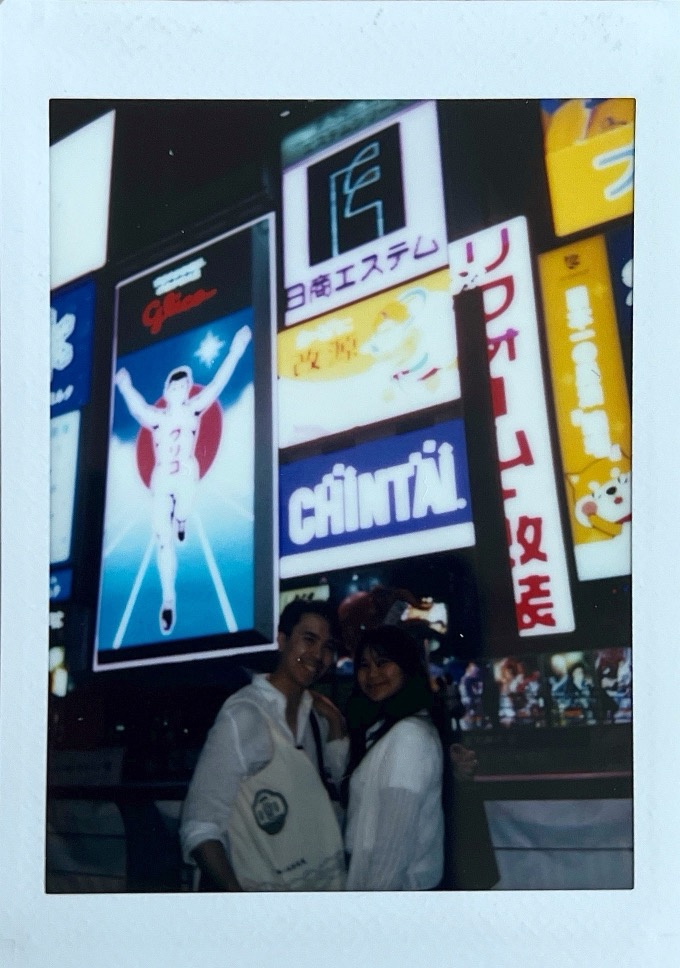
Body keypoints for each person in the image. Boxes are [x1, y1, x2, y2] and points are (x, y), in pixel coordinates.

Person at [179, 599, 348, 891]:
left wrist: (335, 722)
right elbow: (200, 827)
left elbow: (337, 782)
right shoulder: (244, 715)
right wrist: (240, 902)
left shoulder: (316, 718)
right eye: (309, 639)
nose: (318, 655)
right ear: (282, 641)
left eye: (328, 647)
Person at [114, 324, 251, 636]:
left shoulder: (193, 408)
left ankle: (182, 521)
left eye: (183, 383)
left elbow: (219, 381)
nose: (178, 387)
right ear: (167, 390)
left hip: (186, 473)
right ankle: (168, 599)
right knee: (162, 538)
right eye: (174, 384)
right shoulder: (156, 418)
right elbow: (136, 406)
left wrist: (238, 347)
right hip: (162, 478)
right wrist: (124, 384)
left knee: (183, 511)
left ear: (187, 387)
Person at [342, 625, 447, 891]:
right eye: (364, 665)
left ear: (406, 666)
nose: (372, 674)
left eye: (383, 662)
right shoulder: (387, 728)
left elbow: (392, 850)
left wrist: (375, 914)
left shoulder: (408, 736)